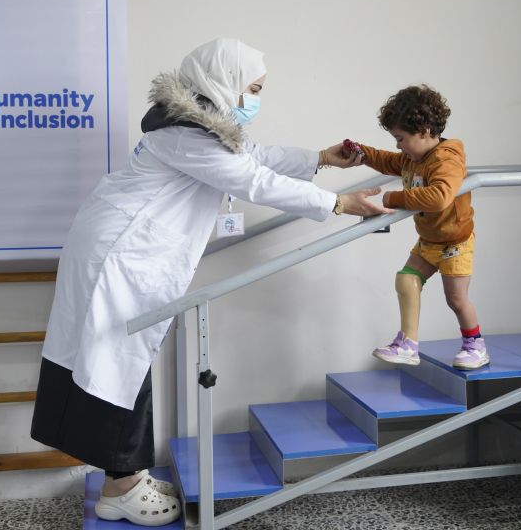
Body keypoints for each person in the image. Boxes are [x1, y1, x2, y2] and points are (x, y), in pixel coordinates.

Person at [30, 37, 390, 526]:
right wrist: (339, 204)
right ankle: (121, 486)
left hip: (124, 246)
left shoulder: (196, 124)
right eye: (253, 88)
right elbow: (253, 181)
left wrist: (320, 158)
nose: (255, 99)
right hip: (120, 252)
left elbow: (254, 158)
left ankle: (125, 474)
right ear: (223, 81)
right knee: (120, 362)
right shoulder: (186, 132)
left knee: (123, 361)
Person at [350, 84, 488, 370]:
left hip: (455, 242)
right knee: (406, 280)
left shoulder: (446, 160)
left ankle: (475, 346)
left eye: (401, 138)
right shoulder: (416, 158)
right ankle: (408, 345)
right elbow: (389, 161)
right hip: (429, 240)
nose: (398, 146)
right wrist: (362, 153)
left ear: (424, 131)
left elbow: (438, 197)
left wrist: (391, 198)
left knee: (456, 299)